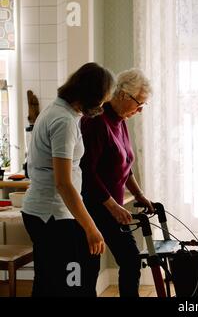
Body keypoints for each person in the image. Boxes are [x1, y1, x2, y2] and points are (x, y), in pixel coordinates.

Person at [21, 62, 115, 297]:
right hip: (53, 214)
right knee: (71, 284)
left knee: (48, 281)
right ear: (90, 95)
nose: (102, 106)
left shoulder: (58, 111)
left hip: (44, 211)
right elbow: (63, 183)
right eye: (102, 101)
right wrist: (90, 227)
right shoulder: (64, 121)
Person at [80, 68, 154, 297]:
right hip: (95, 208)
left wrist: (139, 195)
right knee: (92, 268)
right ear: (122, 94)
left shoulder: (120, 120)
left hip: (112, 208)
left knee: (130, 261)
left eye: (143, 105)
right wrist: (113, 207)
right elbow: (87, 173)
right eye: (138, 103)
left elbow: (125, 165)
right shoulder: (95, 122)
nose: (140, 110)